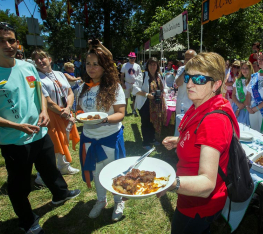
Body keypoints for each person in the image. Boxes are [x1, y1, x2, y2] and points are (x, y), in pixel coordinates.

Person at [0, 22, 80, 234]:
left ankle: (60, 194)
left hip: (41, 132)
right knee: (20, 185)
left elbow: (40, 92)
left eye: (11, 40)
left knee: (50, 168)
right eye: (0, 40)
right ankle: (27, 221)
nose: (7, 44)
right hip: (15, 140)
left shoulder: (28, 66)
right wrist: (17, 126)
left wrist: (44, 111)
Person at [160, 52, 238, 234]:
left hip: (196, 202)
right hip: (196, 200)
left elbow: (206, 184)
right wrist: (180, 140)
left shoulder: (213, 119)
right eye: (188, 77)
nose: (190, 84)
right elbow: (201, 139)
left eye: (200, 79)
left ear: (216, 84)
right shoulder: (201, 105)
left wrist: (168, 183)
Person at [77, 46, 126, 220]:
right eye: (88, 63)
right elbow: (79, 109)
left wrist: (103, 120)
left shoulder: (114, 87)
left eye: (96, 64)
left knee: (114, 171)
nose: (91, 68)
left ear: (105, 66)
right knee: (97, 170)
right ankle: (100, 200)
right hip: (89, 137)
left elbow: (120, 114)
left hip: (109, 137)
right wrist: (76, 116)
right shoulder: (84, 86)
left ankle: (118, 200)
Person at [32, 49, 80, 181]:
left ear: (49, 59)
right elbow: (47, 101)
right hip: (51, 115)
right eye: (37, 60)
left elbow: (69, 92)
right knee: (53, 143)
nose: (40, 61)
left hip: (65, 111)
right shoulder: (36, 77)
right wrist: (62, 112)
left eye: (42, 58)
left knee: (64, 139)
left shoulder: (59, 74)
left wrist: (68, 108)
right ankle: (43, 175)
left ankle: (63, 166)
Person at [133, 57, 166, 149]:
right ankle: (146, 142)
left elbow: (164, 87)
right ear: (147, 66)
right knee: (146, 122)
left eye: (154, 64)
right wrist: (147, 94)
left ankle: (152, 139)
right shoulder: (143, 75)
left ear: (157, 66)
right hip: (145, 103)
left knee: (153, 122)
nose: (152, 66)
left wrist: (163, 93)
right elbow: (135, 89)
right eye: (150, 64)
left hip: (156, 103)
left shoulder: (159, 76)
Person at [174, 49, 196, 115]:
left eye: (190, 58)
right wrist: (185, 71)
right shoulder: (181, 69)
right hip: (181, 104)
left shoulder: (199, 71)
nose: (188, 61)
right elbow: (178, 83)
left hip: (193, 105)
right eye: (186, 59)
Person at [231, 60, 253, 125]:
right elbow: (233, 95)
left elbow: (248, 96)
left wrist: (239, 108)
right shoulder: (238, 80)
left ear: (250, 69)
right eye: (243, 68)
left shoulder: (252, 80)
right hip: (236, 105)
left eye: (246, 68)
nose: (244, 70)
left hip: (246, 107)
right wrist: (238, 104)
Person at [120, 52, 141, 116]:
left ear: (135, 58)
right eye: (131, 57)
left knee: (135, 97)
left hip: (135, 84)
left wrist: (139, 84)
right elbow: (122, 75)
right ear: (128, 58)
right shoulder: (125, 65)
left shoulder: (137, 66)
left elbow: (140, 75)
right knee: (126, 98)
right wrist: (122, 83)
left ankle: (134, 110)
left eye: (133, 58)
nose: (132, 59)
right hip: (127, 83)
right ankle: (125, 110)